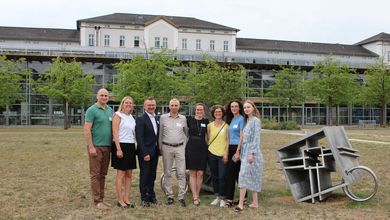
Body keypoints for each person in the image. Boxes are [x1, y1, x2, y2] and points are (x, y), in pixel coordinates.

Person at [83, 88, 113, 210]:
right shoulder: (91, 110)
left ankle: (102, 198)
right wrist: (91, 146)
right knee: (95, 174)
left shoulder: (110, 110)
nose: (104, 97)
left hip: (107, 146)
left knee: (103, 174)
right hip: (96, 146)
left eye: (106, 95)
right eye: (102, 95)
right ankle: (97, 201)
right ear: (97, 96)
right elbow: (86, 129)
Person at [234, 100, 264, 213]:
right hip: (245, 151)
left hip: (252, 152)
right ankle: (255, 203)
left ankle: (241, 204)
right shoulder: (247, 121)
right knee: (252, 176)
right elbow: (243, 137)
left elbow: (256, 138)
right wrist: (239, 151)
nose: (246, 109)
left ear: (253, 108)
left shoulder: (256, 121)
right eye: (245, 107)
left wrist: (251, 153)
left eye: (248, 107)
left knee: (243, 176)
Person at [159, 98, 188, 207]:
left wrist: (184, 146)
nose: (174, 107)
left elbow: (186, 133)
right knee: (167, 172)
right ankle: (169, 196)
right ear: (169, 106)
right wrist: (160, 148)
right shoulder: (163, 118)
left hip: (180, 148)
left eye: (176, 105)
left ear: (179, 106)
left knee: (181, 172)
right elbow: (160, 134)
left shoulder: (183, 118)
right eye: (172, 105)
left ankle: (181, 197)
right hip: (167, 147)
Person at [111, 96, 137, 208]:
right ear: (122, 103)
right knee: (120, 173)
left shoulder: (131, 117)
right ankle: (120, 200)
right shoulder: (118, 115)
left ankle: (127, 198)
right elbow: (115, 132)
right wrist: (118, 149)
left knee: (129, 174)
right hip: (120, 145)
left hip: (130, 146)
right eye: (126, 102)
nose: (128, 104)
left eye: (130, 103)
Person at [136, 97, 160, 207]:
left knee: (152, 175)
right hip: (145, 152)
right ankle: (144, 197)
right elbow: (139, 138)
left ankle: (151, 195)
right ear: (145, 106)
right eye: (149, 105)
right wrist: (145, 153)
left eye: (153, 105)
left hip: (155, 152)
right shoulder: (141, 119)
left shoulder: (156, 118)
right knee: (145, 175)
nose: (151, 107)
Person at [185, 103, 209, 206]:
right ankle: (195, 196)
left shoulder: (206, 121)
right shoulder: (189, 120)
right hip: (191, 147)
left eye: (201, 110)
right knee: (192, 173)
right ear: (195, 110)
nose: (199, 111)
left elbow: (208, 136)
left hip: (202, 148)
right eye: (197, 110)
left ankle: (197, 194)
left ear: (204, 111)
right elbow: (184, 133)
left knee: (200, 173)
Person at [224, 100, 245, 208]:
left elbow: (242, 136)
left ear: (239, 108)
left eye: (236, 106)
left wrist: (238, 151)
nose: (234, 108)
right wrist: (227, 152)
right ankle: (244, 198)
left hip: (238, 149)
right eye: (232, 106)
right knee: (236, 174)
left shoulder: (242, 119)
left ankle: (229, 200)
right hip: (231, 148)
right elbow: (228, 137)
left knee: (231, 174)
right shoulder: (231, 119)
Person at [207, 105, 229, 207]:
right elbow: (207, 139)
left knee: (222, 177)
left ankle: (223, 197)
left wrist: (226, 154)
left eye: (219, 112)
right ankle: (217, 196)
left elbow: (228, 141)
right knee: (214, 176)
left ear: (222, 113)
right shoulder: (209, 126)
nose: (218, 113)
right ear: (213, 114)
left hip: (222, 155)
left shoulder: (226, 126)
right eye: (216, 112)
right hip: (211, 153)